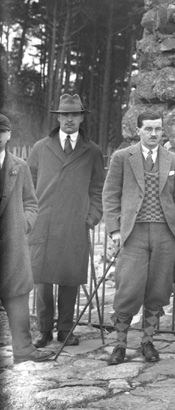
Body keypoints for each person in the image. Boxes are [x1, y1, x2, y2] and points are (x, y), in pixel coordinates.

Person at [102, 111, 175, 364]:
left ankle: (148, 341)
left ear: (163, 131)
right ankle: (120, 344)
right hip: (134, 233)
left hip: (165, 233)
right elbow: (110, 195)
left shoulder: (172, 159)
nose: (153, 134)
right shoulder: (122, 157)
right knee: (128, 287)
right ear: (138, 130)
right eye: (148, 129)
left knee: (158, 289)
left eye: (158, 129)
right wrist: (115, 231)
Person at [27, 94, 104, 348]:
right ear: (58, 117)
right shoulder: (41, 148)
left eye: (74, 115)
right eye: (64, 115)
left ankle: (66, 330)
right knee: (43, 279)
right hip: (44, 222)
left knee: (70, 277)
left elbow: (97, 187)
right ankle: (44, 330)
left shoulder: (91, 150)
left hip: (75, 223)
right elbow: (27, 185)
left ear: (81, 118)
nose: (69, 120)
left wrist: (91, 216)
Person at [0, 113, 55, 364]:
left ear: (9, 135)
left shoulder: (18, 166)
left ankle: (23, 349)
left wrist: (24, 224)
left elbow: (32, 203)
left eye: (2, 131)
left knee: (17, 296)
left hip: (12, 245)